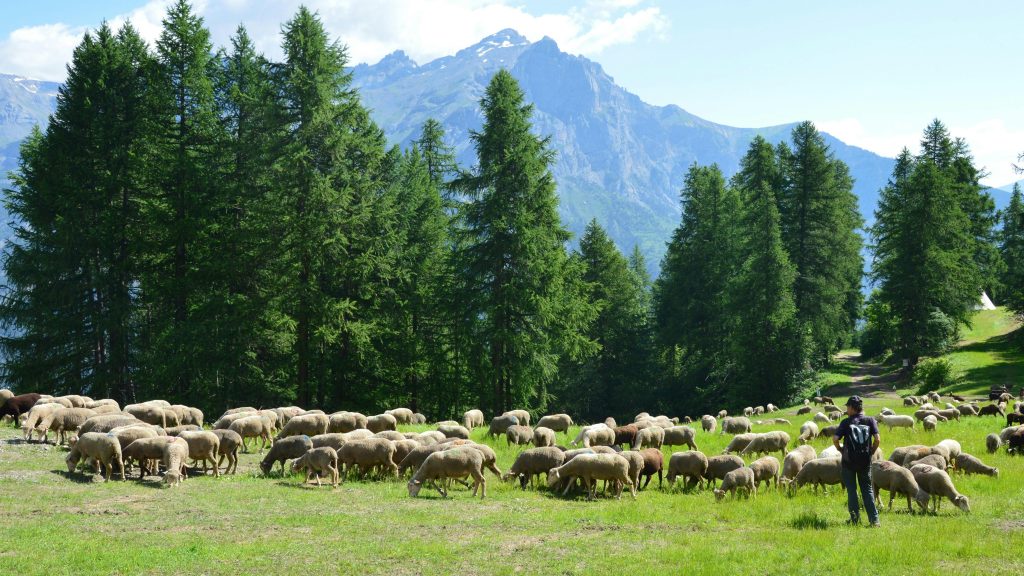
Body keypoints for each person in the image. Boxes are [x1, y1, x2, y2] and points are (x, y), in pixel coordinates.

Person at [832, 395, 880, 527]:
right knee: (867, 489)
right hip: (865, 461)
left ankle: (854, 519)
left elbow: (835, 438)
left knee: (852, 490)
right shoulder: (870, 420)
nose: (846, 409)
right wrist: (871, 452)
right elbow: (877, 439)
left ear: (852, 408)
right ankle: (874, 520)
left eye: (847, 407)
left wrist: (840, 450)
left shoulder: (846, 422)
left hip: (849, 462)